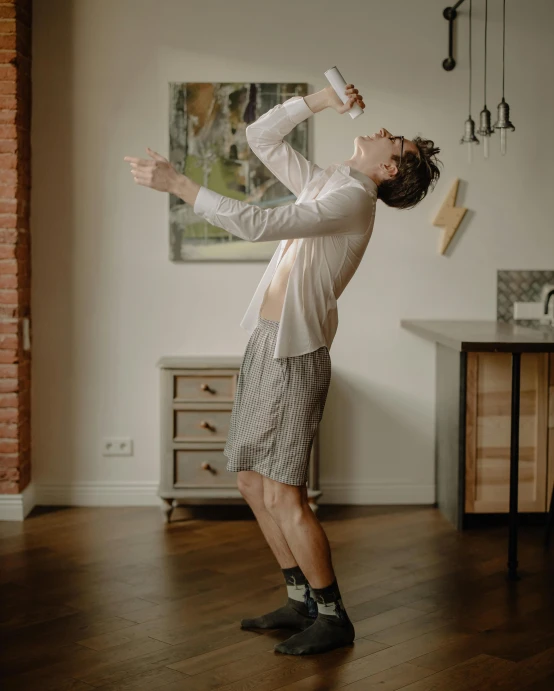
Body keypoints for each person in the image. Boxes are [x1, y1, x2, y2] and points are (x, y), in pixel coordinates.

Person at [124, 83, 442, 656]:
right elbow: (260, 135)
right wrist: (321, 97)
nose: (379, 129)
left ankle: (331, 614)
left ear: (391, 167)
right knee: (250, 480)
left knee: (285, 495)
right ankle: (298, 599)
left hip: (295, 353)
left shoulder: (353, 200)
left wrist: (180, 185)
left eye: (391, 139)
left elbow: (257, 224)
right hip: (266, 342)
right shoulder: (331, 183)